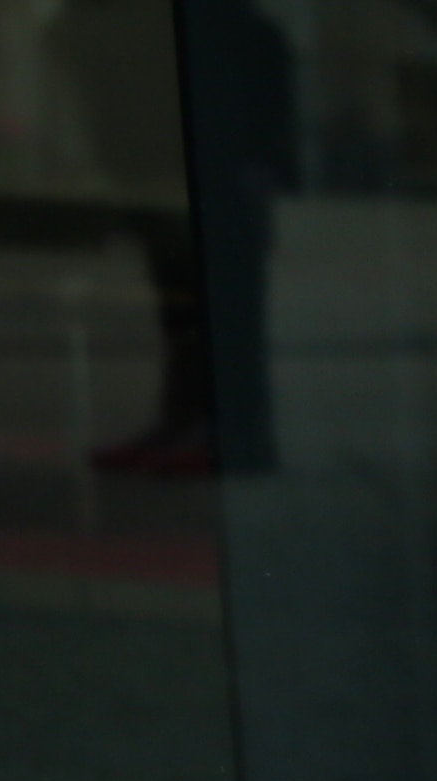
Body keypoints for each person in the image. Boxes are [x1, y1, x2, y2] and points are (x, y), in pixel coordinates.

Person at [71, 0, 296, 475]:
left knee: (215, 316)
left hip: (213, 194)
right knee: (188, 313)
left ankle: (220, 431)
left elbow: (262, 126)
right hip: (186, 190)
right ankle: (192, 423)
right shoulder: (201, 30)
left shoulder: (227, 32)